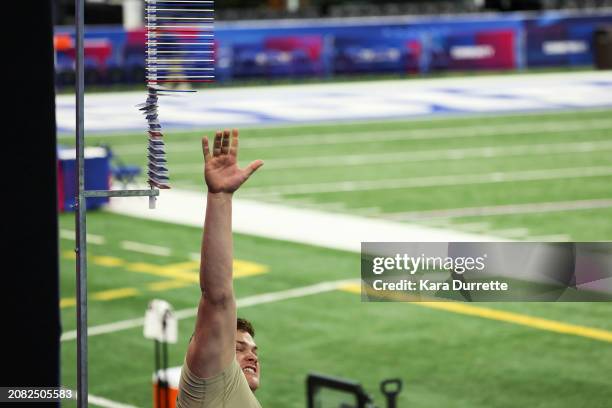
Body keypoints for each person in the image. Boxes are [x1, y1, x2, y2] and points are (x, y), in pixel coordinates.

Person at [177, 129, 264, 408]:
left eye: (253, 350)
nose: (252, 356)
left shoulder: (236, 397)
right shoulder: (212, 382)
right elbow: (217, 296)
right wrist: (220, 197)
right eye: (239, 348)